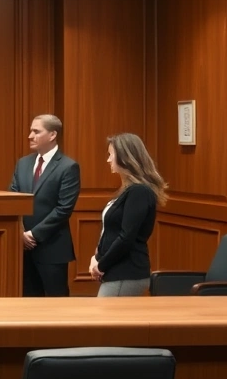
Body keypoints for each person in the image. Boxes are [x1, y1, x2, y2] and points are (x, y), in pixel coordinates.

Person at [9, 114, 81, 297]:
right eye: (30, 131)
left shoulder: (68, 167)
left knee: (56, 302)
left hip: (52, 248)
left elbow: (64, 208)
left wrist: (32, 235)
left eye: (36, 131)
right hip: (22, 248)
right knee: (27, 302)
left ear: (52, 135)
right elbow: (12, 199)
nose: (30, 136)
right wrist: (20, 232)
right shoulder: (23, 163)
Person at [89, 133, 167, 296]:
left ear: (125, 157)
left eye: (111, 155)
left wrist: (101, 265)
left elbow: (126, 237)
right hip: (116, 271)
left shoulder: (139, 191)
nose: (108, 160)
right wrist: (96, 257)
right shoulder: (128, 190)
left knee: (104, 320)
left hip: (126, 272)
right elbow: (111, 231)